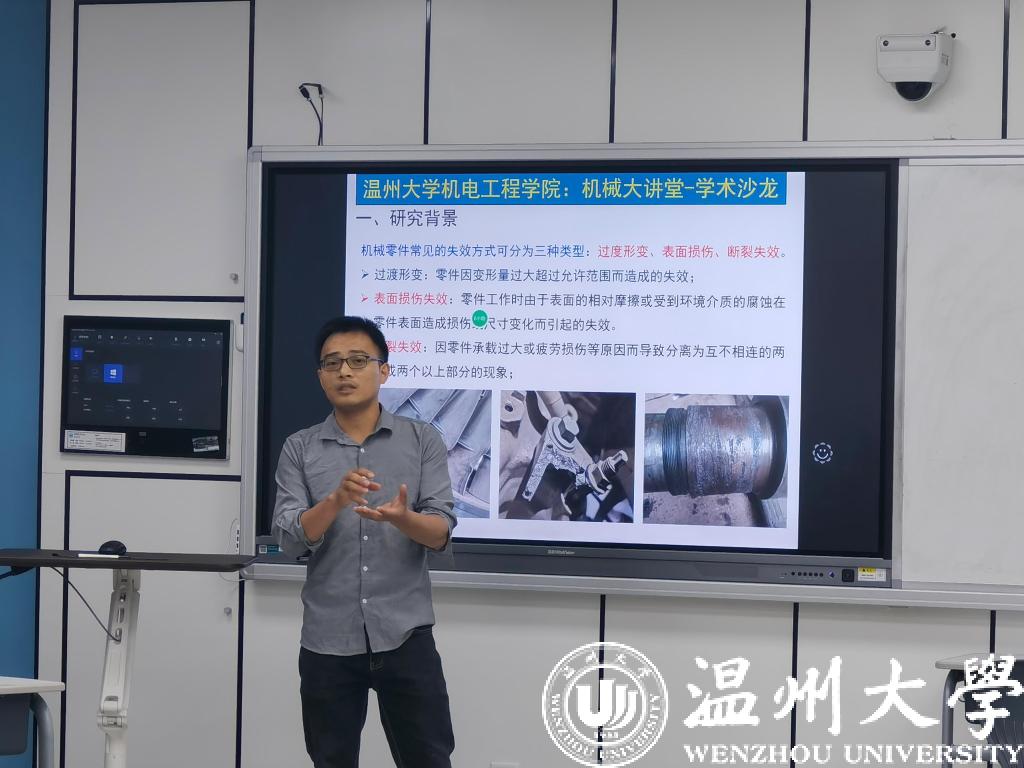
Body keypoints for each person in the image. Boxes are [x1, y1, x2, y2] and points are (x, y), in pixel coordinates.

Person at [272, 315, 456, 768]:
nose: (344, 372)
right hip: (328, 640)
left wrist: (404, 519)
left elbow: (440, 532)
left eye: (358, 360)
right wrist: (335, 500)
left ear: (384, 370)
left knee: (429, 759)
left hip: (406, 635)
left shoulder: (422, 440)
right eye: (332, 363)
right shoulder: (299, 448)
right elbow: (289, 540)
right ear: (320, 375)